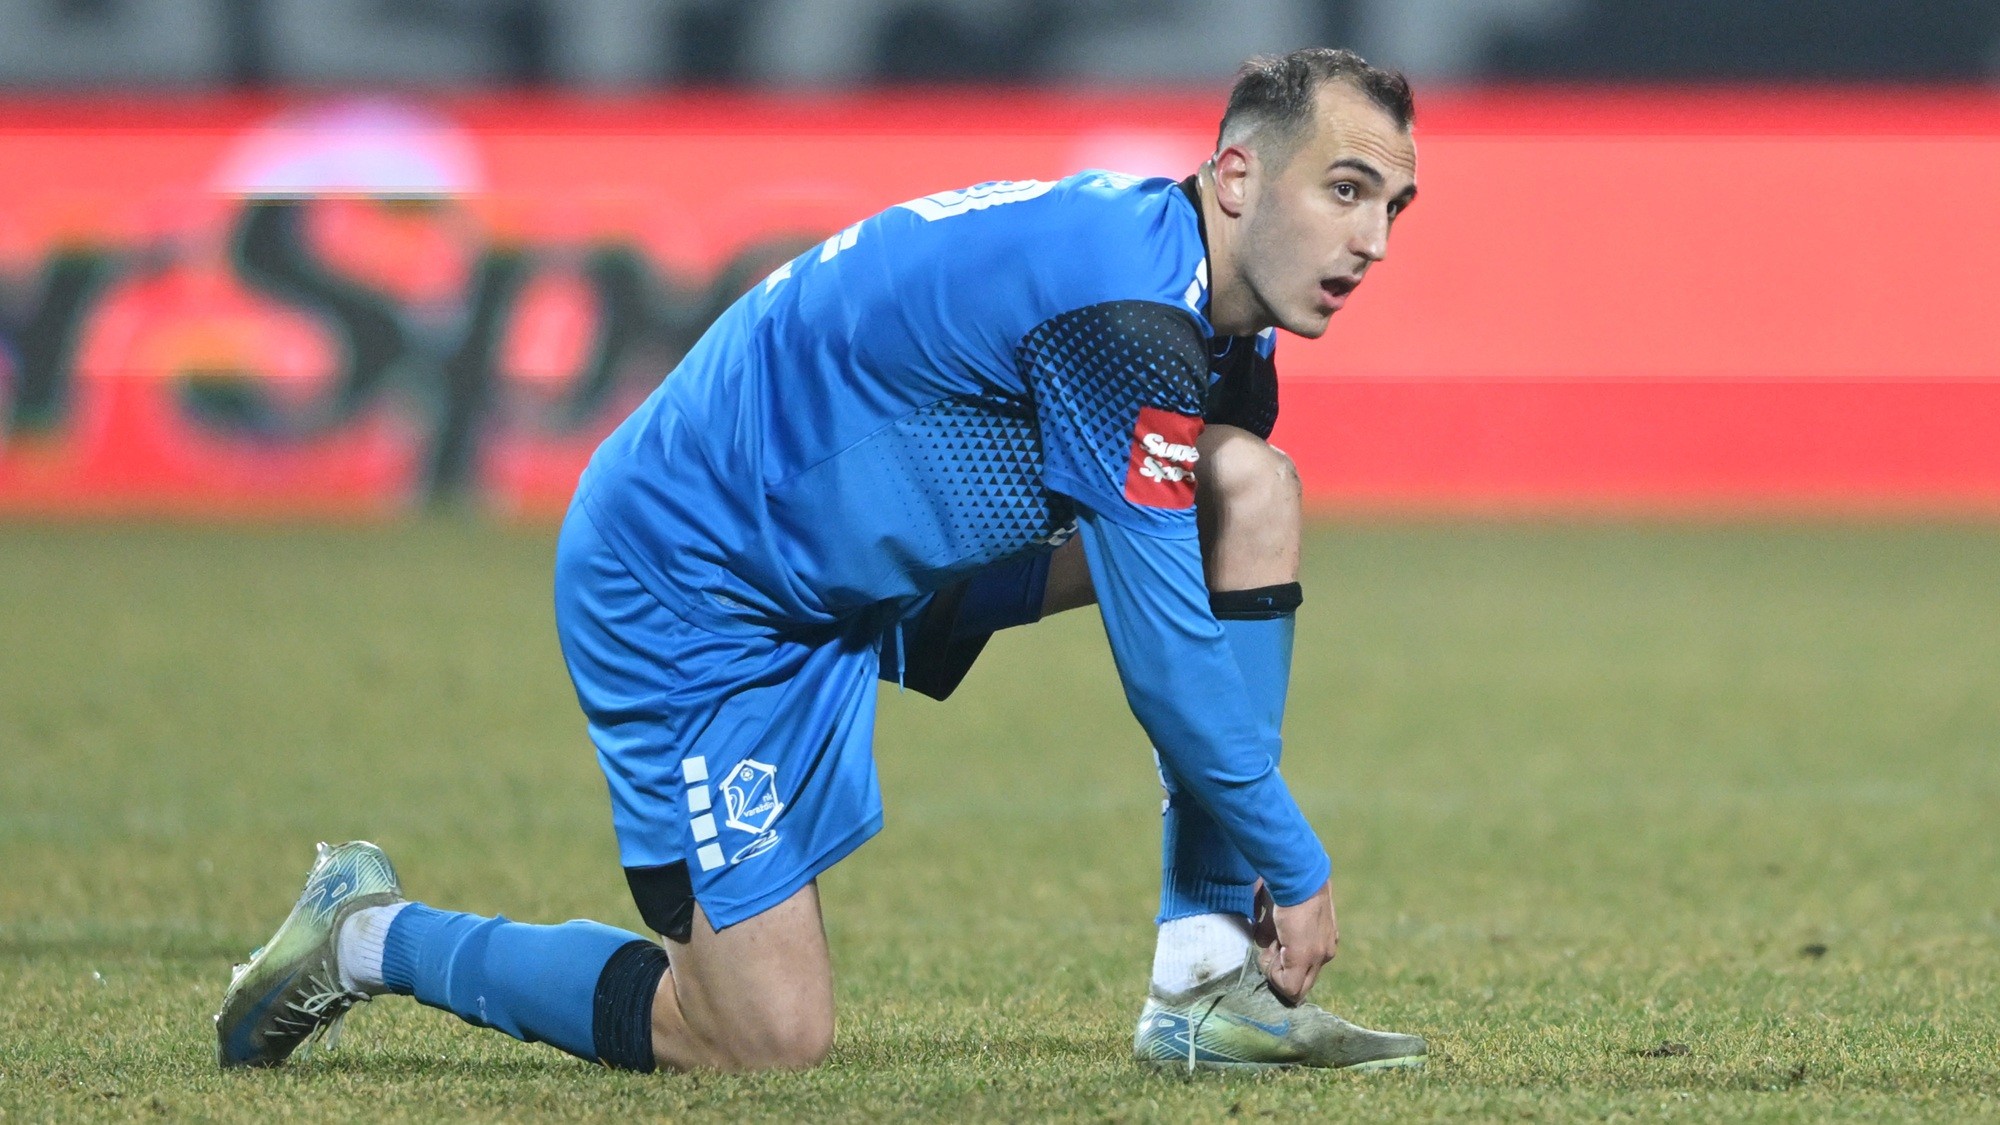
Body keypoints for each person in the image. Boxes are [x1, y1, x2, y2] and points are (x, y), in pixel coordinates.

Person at [216, 46, 1424, 1074]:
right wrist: (1290, 859)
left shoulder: (1209, 325)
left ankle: (1206, 983)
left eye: (1391, 208)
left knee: (1243, 491)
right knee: (757, 1040)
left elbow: (1174, 608)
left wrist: (1250, 848)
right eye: (1344, 190)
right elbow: (1164, 658)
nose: (1369, 242)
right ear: (1235, 176)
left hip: (861, 552)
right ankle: (366, 936)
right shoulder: (1126, 317)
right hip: (693, 583)